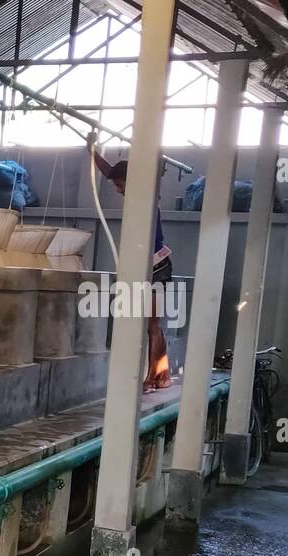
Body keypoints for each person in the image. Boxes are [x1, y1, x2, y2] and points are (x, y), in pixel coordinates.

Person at [90, 141, 173, 391]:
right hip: (146, 265)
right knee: (150, 324)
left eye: (120, 185)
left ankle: (152, 378)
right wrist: (92, 152)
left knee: (152, 325)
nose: (117, 190)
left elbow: (147, 172)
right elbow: (110, 172)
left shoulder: (146, 194)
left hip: (158, 265)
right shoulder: (134, 194)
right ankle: (162, 375)